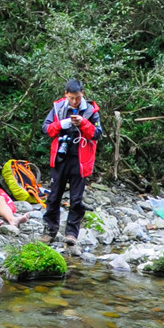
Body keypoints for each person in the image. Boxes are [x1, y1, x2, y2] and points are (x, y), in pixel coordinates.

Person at [42, 79, 102, 247]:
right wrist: (61, 124)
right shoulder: (58, 108)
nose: (74, 101)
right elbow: (46, 129)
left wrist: (83, 123)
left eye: (77, 98)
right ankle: (50, 230)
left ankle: (71, 233)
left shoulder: (91, 110)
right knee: (54, 197)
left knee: (76, 199)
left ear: (82, 94)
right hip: (60, 158)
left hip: (80, 160)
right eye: (71, 98)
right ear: (66, 94)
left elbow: (97, 134)